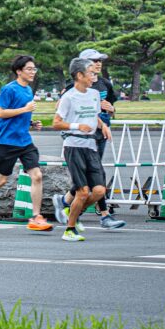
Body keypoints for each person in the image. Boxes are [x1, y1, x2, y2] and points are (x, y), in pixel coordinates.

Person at [0, 55, 53, 233]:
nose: (33, 72)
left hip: (24, 141)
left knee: (37, 175)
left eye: (34, 69)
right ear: (19, 71)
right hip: (6, 142)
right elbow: (1, 113)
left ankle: (36, 217)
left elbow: (21, 116)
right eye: (29, 69)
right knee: (1, 180)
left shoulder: (28, 90)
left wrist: (32, 123)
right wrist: (25, 110)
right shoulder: (9, 89)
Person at [53, 49, 125, 230]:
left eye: (100, 61)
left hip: (95, 137)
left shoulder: (102, 86)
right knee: (86, 185)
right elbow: (60, 114)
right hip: (76, 140)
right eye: (94, 61)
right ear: (81, 68)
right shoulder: (71, 90)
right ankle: (102, 215)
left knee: (96, 182)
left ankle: (66, 204)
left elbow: (104, 109)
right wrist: (76, 126)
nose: (98, 64)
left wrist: (106, 120)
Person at [52, 58, 109, 242]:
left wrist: (102, 125)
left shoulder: (93, 94)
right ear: (79, 75)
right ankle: (69, 229)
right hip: (74, 146)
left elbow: (94, 115)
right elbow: (56, 123)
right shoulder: (69, 97)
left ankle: (74, 210)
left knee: (99, 191)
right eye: (91, 72)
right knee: (83, 192)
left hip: (91, 146)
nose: (95, 76)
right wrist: (77, 126)